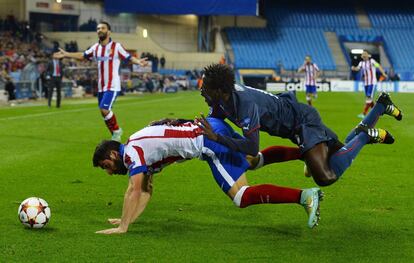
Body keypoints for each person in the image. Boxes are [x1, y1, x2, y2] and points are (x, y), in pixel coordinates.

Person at [92, 117, 323, 234]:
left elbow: (134, 190)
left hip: (207, 141)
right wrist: (128, 219)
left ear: (114, 154)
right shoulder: (138, 146)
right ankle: (307, 154)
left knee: (241, 196)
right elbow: (146, 190)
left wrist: (123, 227)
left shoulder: (132, 153)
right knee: (252, 161)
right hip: (212, 126)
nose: (110, 171)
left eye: (106, 165)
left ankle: (305, 197)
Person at [197, 63, 403, 188]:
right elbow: (211, 120)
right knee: (341, 151)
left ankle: (367, 135)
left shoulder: (244, 105)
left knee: (325, 176)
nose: (201, 91)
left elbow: (251, 148)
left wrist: (217, 139)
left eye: (205, 88)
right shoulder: (222, 100)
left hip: (302, 123)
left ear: (219, 90)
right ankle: (380, 106)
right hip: (296, 121)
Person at [54, 21, 148, 141]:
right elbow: (83, 55)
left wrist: (139, 61)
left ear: (109, 32)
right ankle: (115, 133)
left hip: (112, 85)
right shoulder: (96, 48)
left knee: (104, 110)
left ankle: (117, 132)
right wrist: (67, 54)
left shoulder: (116, 46)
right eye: (98, 28)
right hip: (101, 86)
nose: (99, 30)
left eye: (102, 28)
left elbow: (128, 57)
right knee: (103, 112)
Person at [351, 50, 388, 118]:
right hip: (366, 83)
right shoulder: (361, 63)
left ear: (368, 55)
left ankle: (364, 113)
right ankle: (378, 112)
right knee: (369, 98)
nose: (364, 55)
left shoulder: (372, 61)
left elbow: (378, 66)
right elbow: (357, 68)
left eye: (365, 54)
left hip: (372, 83)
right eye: (363, 54)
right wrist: (354, 68)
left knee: (369, 98)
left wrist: (383, 73)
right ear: (362, 56)